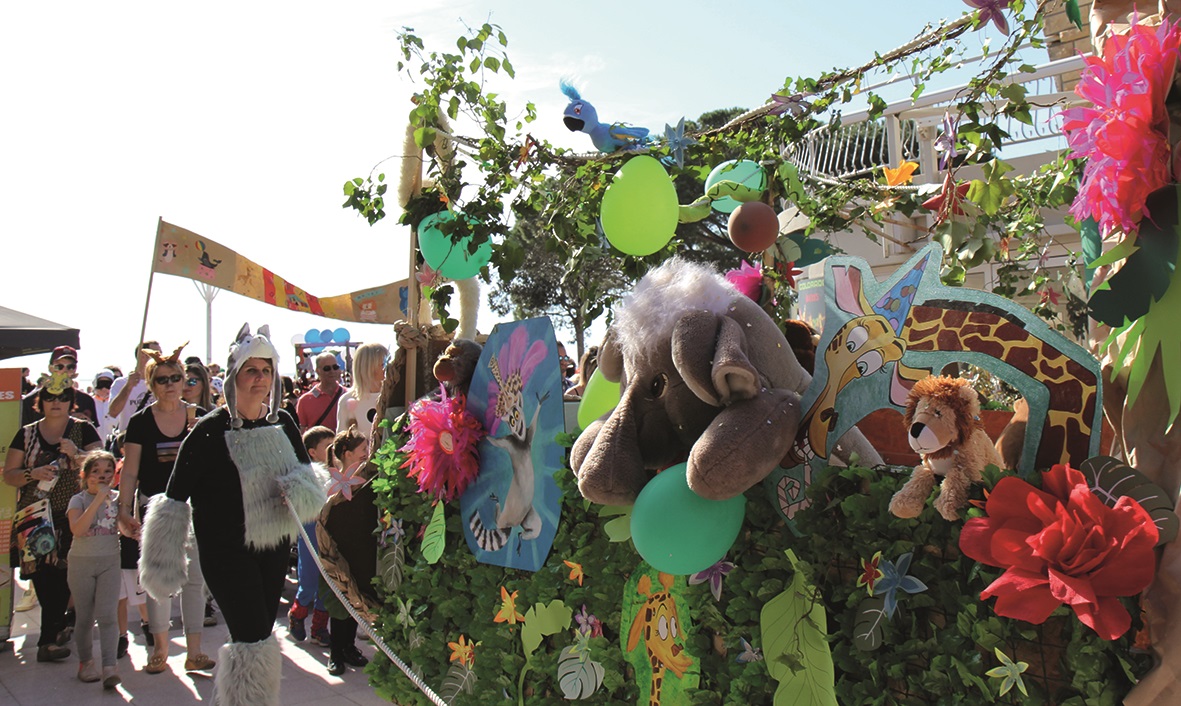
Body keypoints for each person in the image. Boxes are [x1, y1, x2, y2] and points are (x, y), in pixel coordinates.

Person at [140, 323, 325, 706]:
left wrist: (297, 491)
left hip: (273, 546)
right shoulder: (209, 431)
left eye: (267, 370)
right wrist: (163, 565)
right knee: (250, 634)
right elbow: (174, 497)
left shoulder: (283, 422)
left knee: (258, 633)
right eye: (251, 370)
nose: (260, 379)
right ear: (234, 376)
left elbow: (308, 481)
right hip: (226, 552)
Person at [117, 343, 213, 675]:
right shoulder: (141, 421)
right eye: (162, 379)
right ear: (151, 384)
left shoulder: (199, 418)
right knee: (158, 580)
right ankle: (159, 648)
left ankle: (195, 651)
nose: (170, 384)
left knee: (194, 580)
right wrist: (123, 509)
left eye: (176, 377)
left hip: (194, 509)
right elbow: (130, 470)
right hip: (155, 507)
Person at [3, 379, 102, 663]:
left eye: (62, 398)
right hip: (34, 516)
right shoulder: (27, 433)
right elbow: (9, 474)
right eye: (49, 398)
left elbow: (105, 464)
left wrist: (78, 454)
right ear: (41, 402)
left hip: (74, 513)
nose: (55, 403)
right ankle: (57, 630)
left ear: (71, 401)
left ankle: (50, 638)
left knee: (67, 576)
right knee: (43, 577)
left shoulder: (82, 429)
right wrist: (32, 474)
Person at [65, 450, 122, 688]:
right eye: (95, 471)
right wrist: (99, 498)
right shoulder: (78, 500)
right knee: (85, 617)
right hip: (81, 562)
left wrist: (132, 528)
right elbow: (77, 529)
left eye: (107, 471)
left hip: (110, 561)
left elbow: (123, 526)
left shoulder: (119, 498)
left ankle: (109, 667)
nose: (102, 476)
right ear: (85, 475)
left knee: (108, 615)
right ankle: (86, 663)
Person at [320, 426, 371, 677]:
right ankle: (336, 652)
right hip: (336, 551)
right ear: (347, 453)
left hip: (357, 549)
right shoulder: (331, 483)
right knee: (339, 604)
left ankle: (349, 647)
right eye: (363, 450)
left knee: (355, 599)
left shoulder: (363, 480)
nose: (367, 454)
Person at [288, 426, 334, 647]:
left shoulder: (338, 473)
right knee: (309, 578)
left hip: (329, 533)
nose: (332, 450)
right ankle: (297, 614)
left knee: (327, 580)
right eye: (328, 446)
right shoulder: (306, 475)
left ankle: (319, 627)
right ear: (313, 451)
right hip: (310, 530)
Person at [21, 346, 99, 426]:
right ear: (50, 368)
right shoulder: (31, 400)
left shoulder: (86, 400)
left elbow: (93, 433)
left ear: (75, 370)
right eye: (59, 366)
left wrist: (85, 424)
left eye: (70, 367)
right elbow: (24, 432)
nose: (64, 370)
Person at [107, 341, 162, 439]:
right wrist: (128, 387)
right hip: (129, 439)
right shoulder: (121, 383)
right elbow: (113, 412)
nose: (160, 357)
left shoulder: (162, 382)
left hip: (156, 438)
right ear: (142, 356)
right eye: (156, 353)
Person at [336, 342, 388, 438]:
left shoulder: (393, 395)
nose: (388, 367)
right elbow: (341, 439)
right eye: (383, 363)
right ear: (369, 366)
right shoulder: (347, 400)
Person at [296, 351, 344, 432]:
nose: (332, 371)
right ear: (318, 371)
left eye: (335, 367)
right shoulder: (305, 401)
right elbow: (301, 431)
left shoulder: (348, 395)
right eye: (327, 368)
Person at [91, 370, 118, 442]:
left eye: (107, 385)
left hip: (111, 445)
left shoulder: (116, 403)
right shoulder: (89, 402)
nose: (104, 388)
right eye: (100, 384)